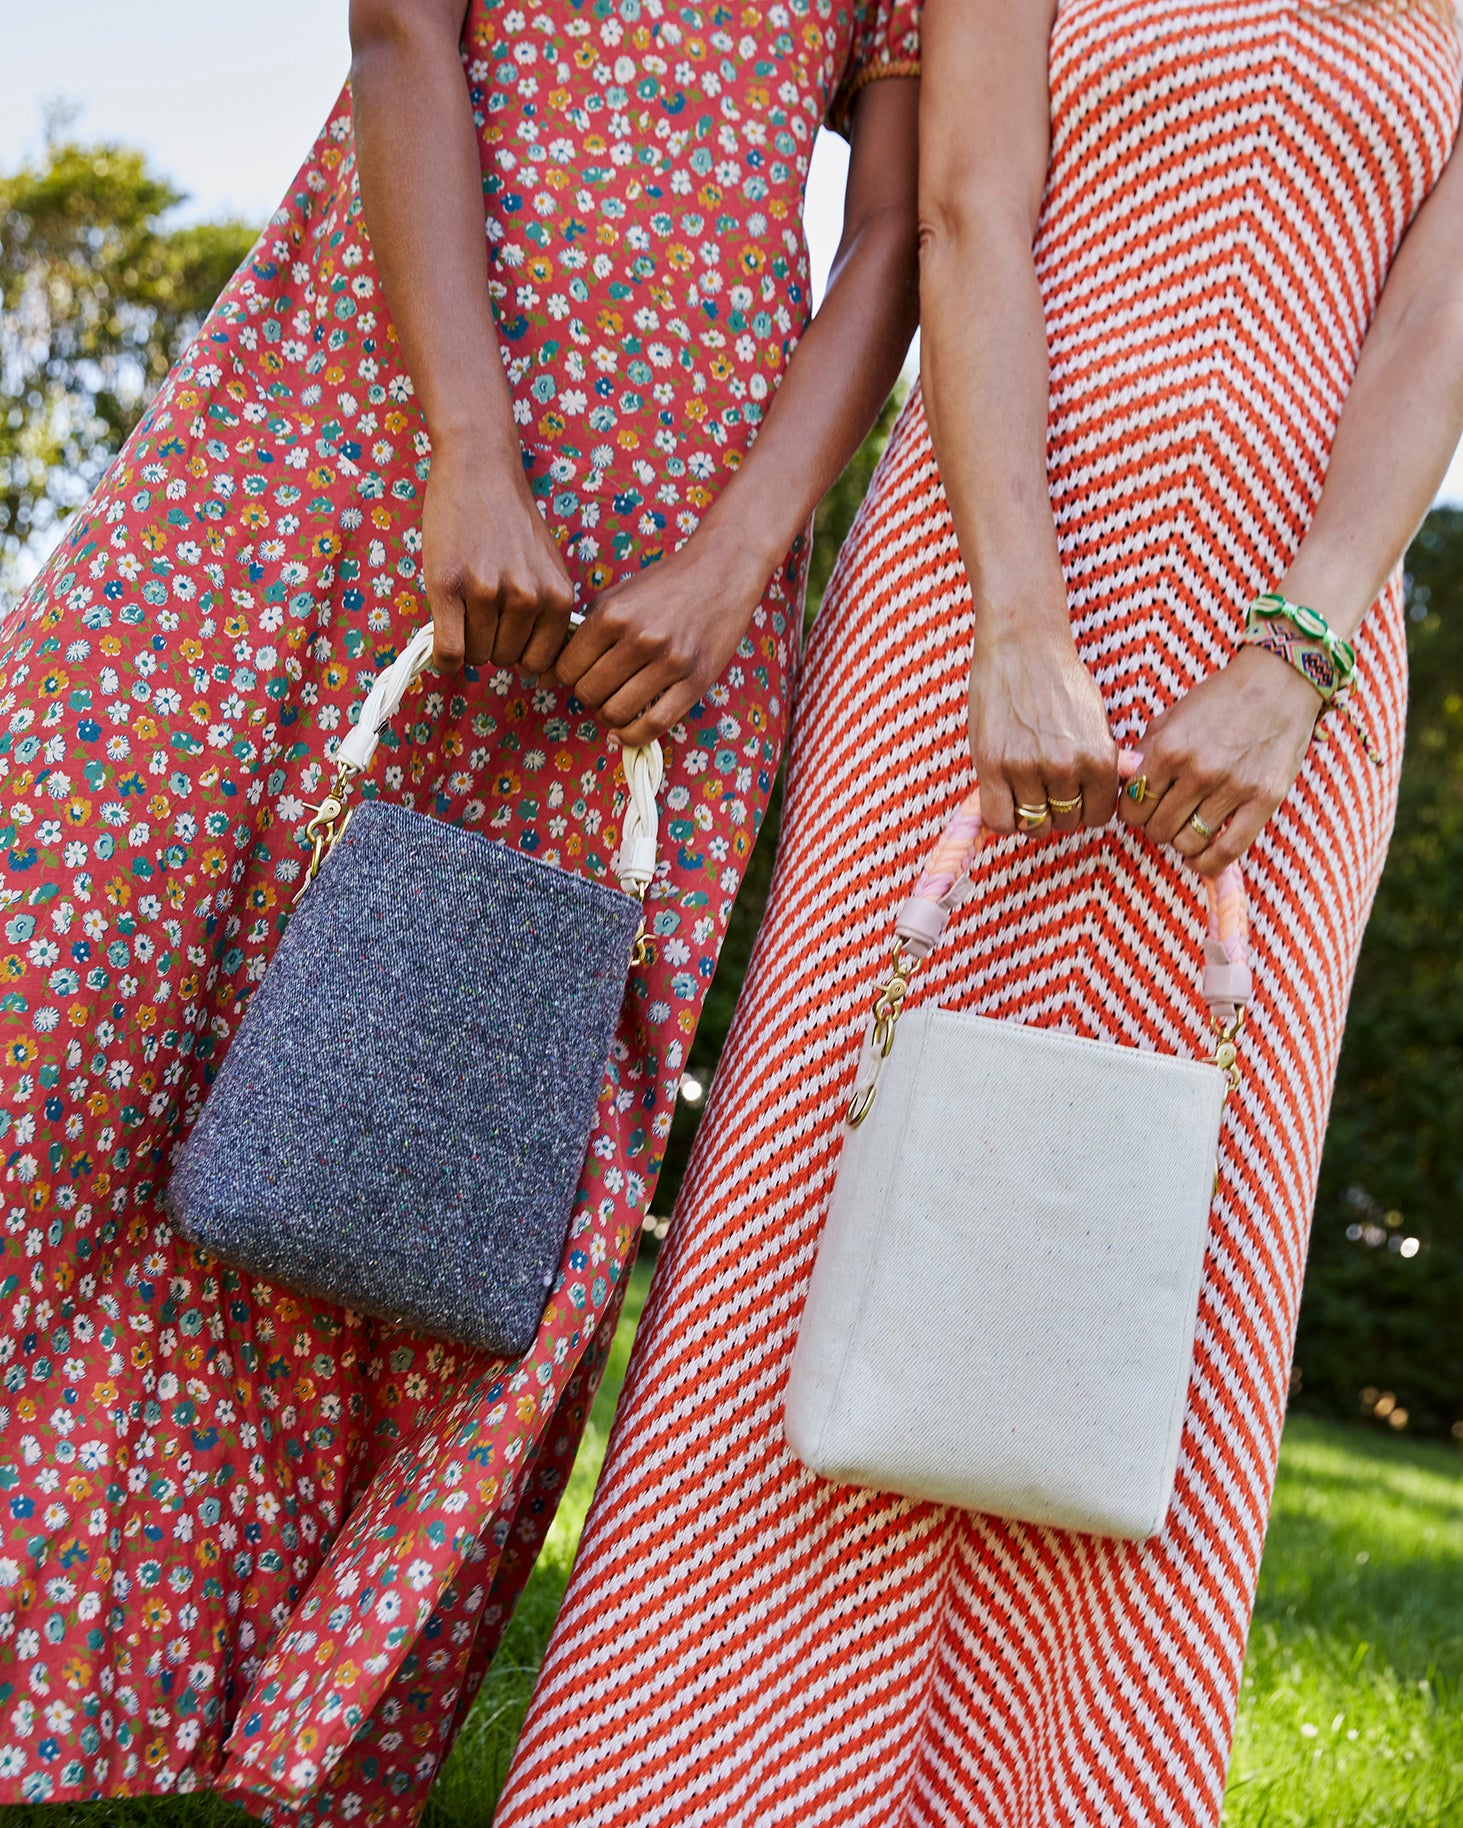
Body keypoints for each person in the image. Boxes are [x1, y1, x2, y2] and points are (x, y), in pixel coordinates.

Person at [493, 1, 1463, 1823]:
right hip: (975, 587)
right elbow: (967, 216)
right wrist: (1020, 623)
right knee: (824, 1182)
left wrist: (1302, 649)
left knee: (1163, 1251)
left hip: (1295, 674)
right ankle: (689, 1780)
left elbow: (1441, 321)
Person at [0, 0, 920, 1811]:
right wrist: (467, 443)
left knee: (445, 1136)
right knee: (76, 954)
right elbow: (401, 27)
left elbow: (896, 225)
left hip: (680, 519)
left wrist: (741, 556)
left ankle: (267, 1716)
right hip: (353, 390)